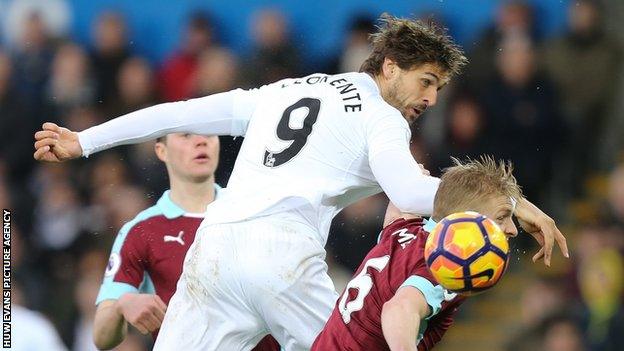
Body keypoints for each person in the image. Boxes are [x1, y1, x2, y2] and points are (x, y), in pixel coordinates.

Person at [33, 15, 567, 351]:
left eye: (438, 88)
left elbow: (183, 110)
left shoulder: (284, 89)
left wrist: (85, 140)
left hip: (213, 250)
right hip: (282, 257)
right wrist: (511, 204)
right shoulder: (380, 114)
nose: (430, 99)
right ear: (388, 67)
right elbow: (408, 194)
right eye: (426, 82)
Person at [312, 156, 524, 350]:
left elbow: (398, 208)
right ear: (467, 221)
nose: (513, 229)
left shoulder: (404, 230)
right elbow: (398, 309)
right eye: (501, 217)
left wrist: (412, 177)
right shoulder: (445, 269)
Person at [91, 133, 278, 350]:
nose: (201, 141)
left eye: (209, 132)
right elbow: (102, 338)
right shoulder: (142, 230)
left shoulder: (256, 212)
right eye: (186, 135)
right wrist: (121, 305)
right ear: (162, 151)